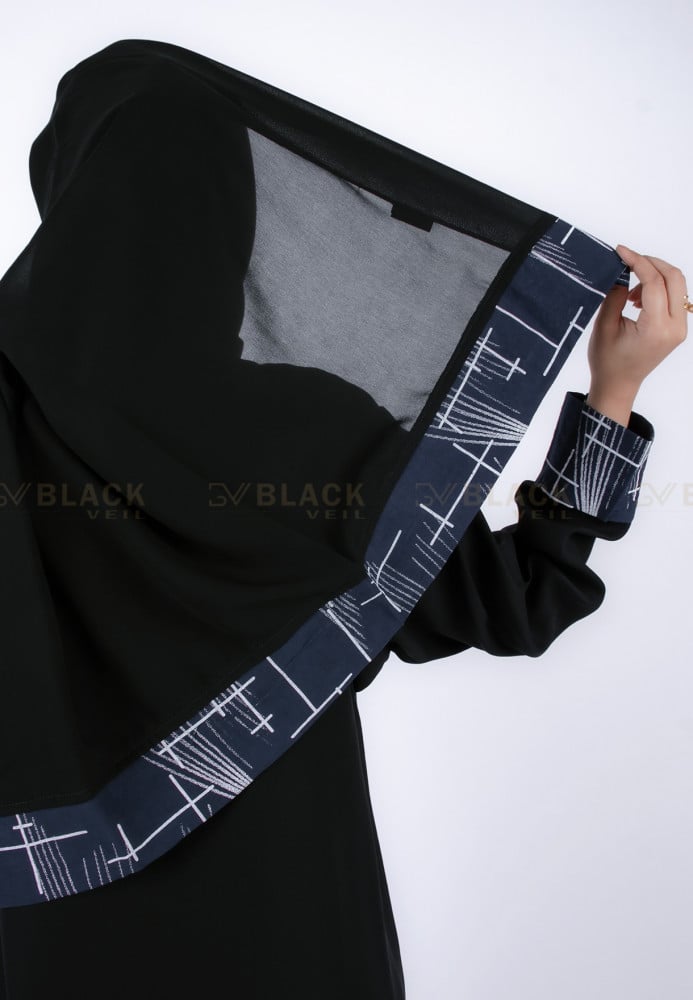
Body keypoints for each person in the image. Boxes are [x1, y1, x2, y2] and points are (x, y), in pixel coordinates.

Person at [0, 234, 687, 998]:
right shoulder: (300, 430)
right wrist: (613, 390)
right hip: (288, 923)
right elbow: (522, 596)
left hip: (38, 922)